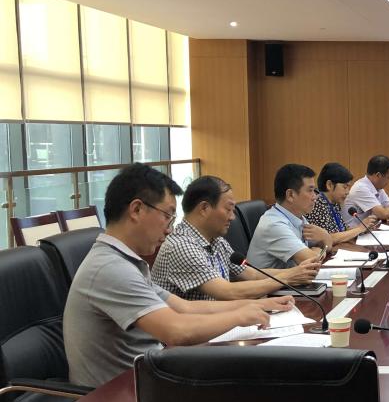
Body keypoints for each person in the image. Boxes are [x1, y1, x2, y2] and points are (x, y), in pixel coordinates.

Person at [64, 164, 291, 388]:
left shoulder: (124, 261)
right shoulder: (111, 268)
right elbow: (177, 331)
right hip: (119, 397)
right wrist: (239, 316)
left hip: (148, 379)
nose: (169, 229)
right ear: (137, 210)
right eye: (167, 216)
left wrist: (257, 305)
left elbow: (185, 307)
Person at [153, 175, 319, 300]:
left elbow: (252, 275)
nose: (233, 217)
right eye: (228, 209)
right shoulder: (181, 245)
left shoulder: (216, 240)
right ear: (204, 208)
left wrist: (296, 272)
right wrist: (289, 277)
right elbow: (228, 291)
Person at [247, 163, 332, 269]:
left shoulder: (298, 217)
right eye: (310, 190)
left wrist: (325, 237)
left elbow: (327, 245)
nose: (315, 197)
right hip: (272, 280)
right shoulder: (274, 225)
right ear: (290, 195)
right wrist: (321, 247)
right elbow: (313, 261)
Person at [306, 162, 379, 247]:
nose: (348, 192)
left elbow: (342, 230)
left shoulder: (334, 203)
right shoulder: (318, 204)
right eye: (345, 187)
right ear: (329, 185)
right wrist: (360, 228)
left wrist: (363, 228)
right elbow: (329, 238)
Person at [344, 154, 389, 224]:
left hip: (368, 228)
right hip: (355, 230)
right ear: (378, 175)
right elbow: (384, 214)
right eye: (388, 178)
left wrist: (386, 213)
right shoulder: (360, 188)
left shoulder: (378, 188)